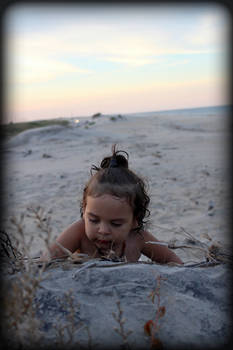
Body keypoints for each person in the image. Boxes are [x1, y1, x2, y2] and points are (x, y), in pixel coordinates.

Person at [41, 145, 183, 264]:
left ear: (135, 220)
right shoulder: (79, 233)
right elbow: (43, 264)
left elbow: (174, 262)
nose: (103, 230)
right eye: (93, 220)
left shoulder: (138, 238)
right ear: (84, 210)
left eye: (115, 224)